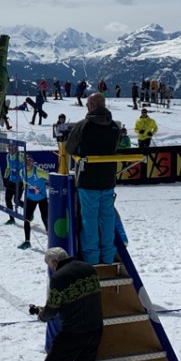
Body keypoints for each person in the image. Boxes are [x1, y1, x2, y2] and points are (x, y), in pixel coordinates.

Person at [30, 247, 103, 361]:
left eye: (50, 266)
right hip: (95, 329)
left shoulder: (58, 278)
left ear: (54, 262)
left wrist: (41, 314)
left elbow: (51, 310)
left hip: (73, 333)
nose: (52, 270)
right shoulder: (88, 268)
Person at [64, 93, 121, 265]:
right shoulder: (113, 126)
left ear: (90, 105)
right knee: (107, 217)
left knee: (89, 218)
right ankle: (108, 256)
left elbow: (69, 148)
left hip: (88, 178)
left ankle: (91, 257)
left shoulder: (84, 125)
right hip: (108, 177)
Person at [19, 156, 49, 250]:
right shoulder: (22, 172)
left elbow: (50, 177)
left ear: (32, 162)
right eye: (26, 161)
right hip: (30, 199)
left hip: (42, 198)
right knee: (26, 220)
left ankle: (52, 241)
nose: (28, 163)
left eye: (30, 161)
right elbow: (25, 183)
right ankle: (27, 242)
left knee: (45, 219)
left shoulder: (38, 171)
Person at [3, 144, 25, 225]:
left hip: (20, 182)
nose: (10, 150)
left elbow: (27, 163)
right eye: (9, 148)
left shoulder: (20, 155)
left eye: (12, 148)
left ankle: (28, 209)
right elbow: (8, 167)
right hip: (11, 181)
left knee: (17, 201)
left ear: (16, 149)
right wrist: (5, 177)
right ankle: (11, 219)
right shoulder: (8, 156)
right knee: (7, 199)